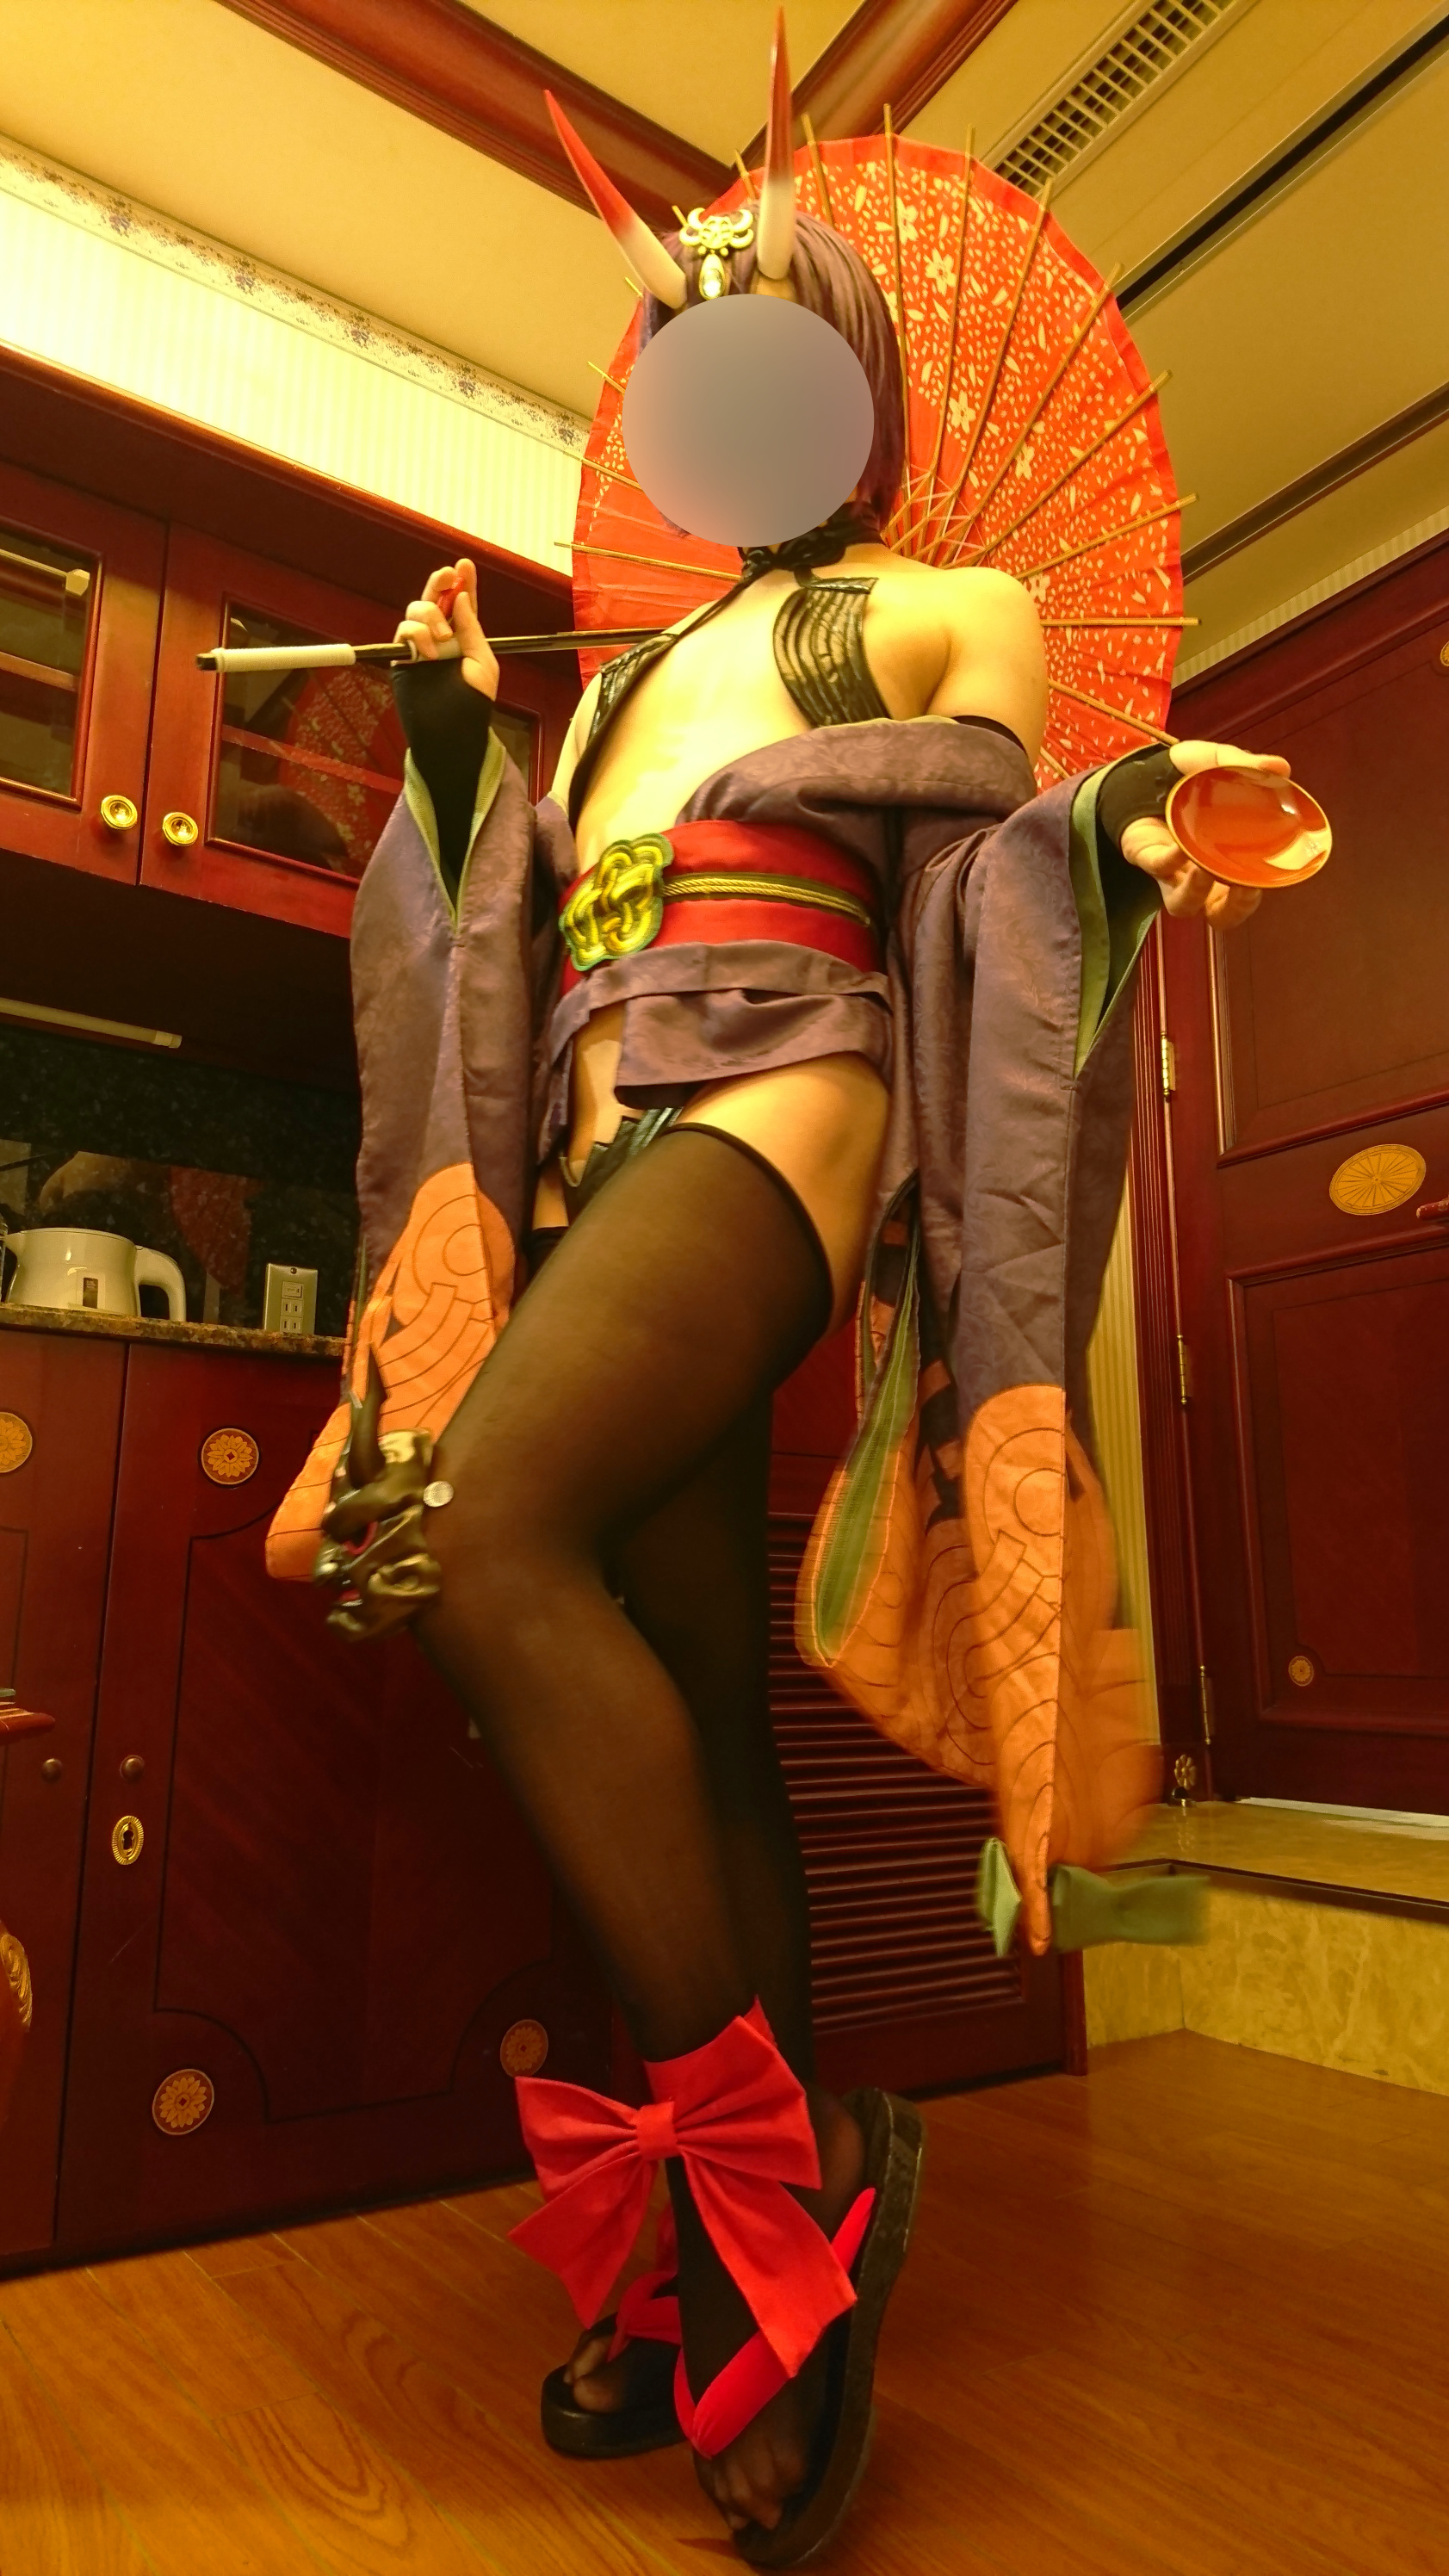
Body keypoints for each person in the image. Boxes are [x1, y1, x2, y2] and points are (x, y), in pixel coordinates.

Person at [268, 79, 1286, 2571]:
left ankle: (767, 2174)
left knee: (479, 1533)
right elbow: (517, 923)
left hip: (779, 1110)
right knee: (690, 1689)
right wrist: (451, 745)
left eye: (755, 336)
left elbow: (1004, 869)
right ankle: (740, 2192)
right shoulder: (614, 676)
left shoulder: (943, 606)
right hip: (591, 1143)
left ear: (846, 376)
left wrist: (1128, 817)